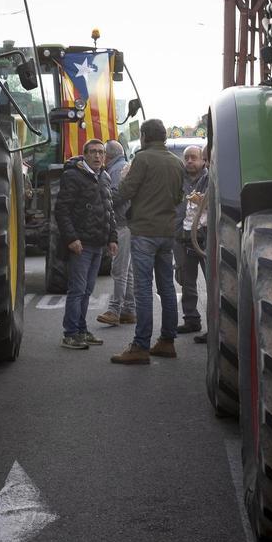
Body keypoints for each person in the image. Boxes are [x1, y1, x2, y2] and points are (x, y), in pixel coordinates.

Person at [110, 118, 186, 364]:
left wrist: (117, 188)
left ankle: (140, 346)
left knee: (143, 290)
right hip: (167, 232)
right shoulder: (177, 162)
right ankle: (167, 341)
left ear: (144, 136)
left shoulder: (142, 159)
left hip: (144, 232)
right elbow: (178, 197)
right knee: (166, 289)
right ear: (163, 136)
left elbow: (126, 192)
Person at [55, 139, 118, 350]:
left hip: (98, 244)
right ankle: (70, 334)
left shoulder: (105, 177)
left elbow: (109, 211)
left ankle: (81, 330)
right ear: (85, 154)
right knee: (77, 290)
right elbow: (62, 210)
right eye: (93, 152)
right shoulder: (72, 176)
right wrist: (72, 239)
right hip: (81, 244)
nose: (98, 156)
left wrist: (112, 238)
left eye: (101, 152)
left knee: (87, 290)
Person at [96, 139, 135, 327]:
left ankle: (114, 310)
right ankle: (129, 310)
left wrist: (101, 198)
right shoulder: (121, 166)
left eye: (101, 153)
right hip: (127, 224)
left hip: (122, 224)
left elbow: (118, 195)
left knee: (119, 270)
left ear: (107, 155)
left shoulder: (116, 170)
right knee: (127, 270)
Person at [174, 145, 208, 334]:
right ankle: (191, 319)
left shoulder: (211, 178)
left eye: (193, 157)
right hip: (182, 238)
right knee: (186, 281)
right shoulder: (178, 180)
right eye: (186, 158)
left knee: (214, 283)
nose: (189, 161)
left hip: (205, 238)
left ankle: (216, 327)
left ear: (203, 160)